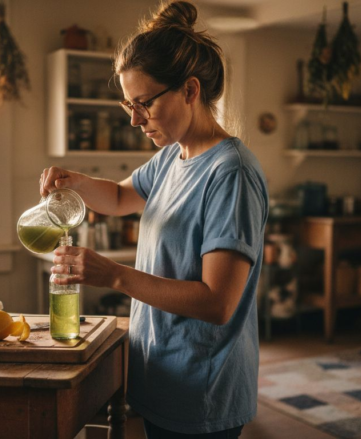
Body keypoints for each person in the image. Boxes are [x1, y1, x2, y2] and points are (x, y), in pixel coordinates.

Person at [39, 2, 268, 437]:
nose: (133, 119)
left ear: (190, 90)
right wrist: (76, 181)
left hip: (203, 389)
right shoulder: (171, 157)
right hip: (164, 377)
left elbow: (217, 303)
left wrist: (114, 275)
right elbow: (123, 196)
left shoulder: (231, 172)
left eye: (143, 103)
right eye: (128, 103)